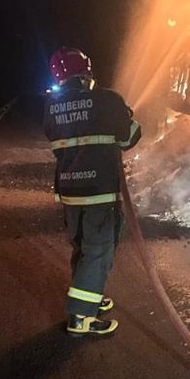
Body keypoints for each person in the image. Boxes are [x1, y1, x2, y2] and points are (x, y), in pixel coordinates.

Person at [43, 46, 141, 337]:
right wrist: (126, 115)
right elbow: (130, 137)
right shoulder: (107, 100)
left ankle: (91, 296)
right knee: (99, 249)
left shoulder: (51, 106)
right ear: (86, 72)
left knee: (83, 247)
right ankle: (81, 318)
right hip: (100, 190)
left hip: (69, 190)